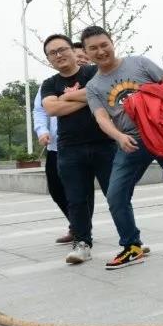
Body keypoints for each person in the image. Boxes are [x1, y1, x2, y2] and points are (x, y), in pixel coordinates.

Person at [81, 26, 163, 270]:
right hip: (131, 141)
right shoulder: (93, 87)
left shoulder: (139, 63)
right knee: (115, 195)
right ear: (86, 52)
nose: (101, 51)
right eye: (93, 48)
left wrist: (143, 96)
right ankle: (131, 245)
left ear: (112, 42)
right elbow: (102, 118)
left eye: (104, 44)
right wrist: (118, 136)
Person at [39, 34, 114, 265]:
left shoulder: (93, 72)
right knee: (76, 199)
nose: (59, 55)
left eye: (62, 49)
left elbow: (106, 91)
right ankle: (82, 243)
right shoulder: (49, 84)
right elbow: (51, 108)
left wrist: (67, 97)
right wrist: (89, 96)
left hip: (104, 143)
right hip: (69, 148)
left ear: (73, 50)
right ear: (49, 59)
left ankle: (131, 240)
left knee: (117, 195)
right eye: (53, 53)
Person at [33, 88, 71, 244]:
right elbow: (39, 110)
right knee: (56, 189)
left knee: (82, 190)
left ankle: (80, 229)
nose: (82, 60)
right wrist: (42, 130)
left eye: (86, 60)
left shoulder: (91, 77)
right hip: (56, 146)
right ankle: (78, 223)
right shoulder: (51, 84)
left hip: (84, 145)